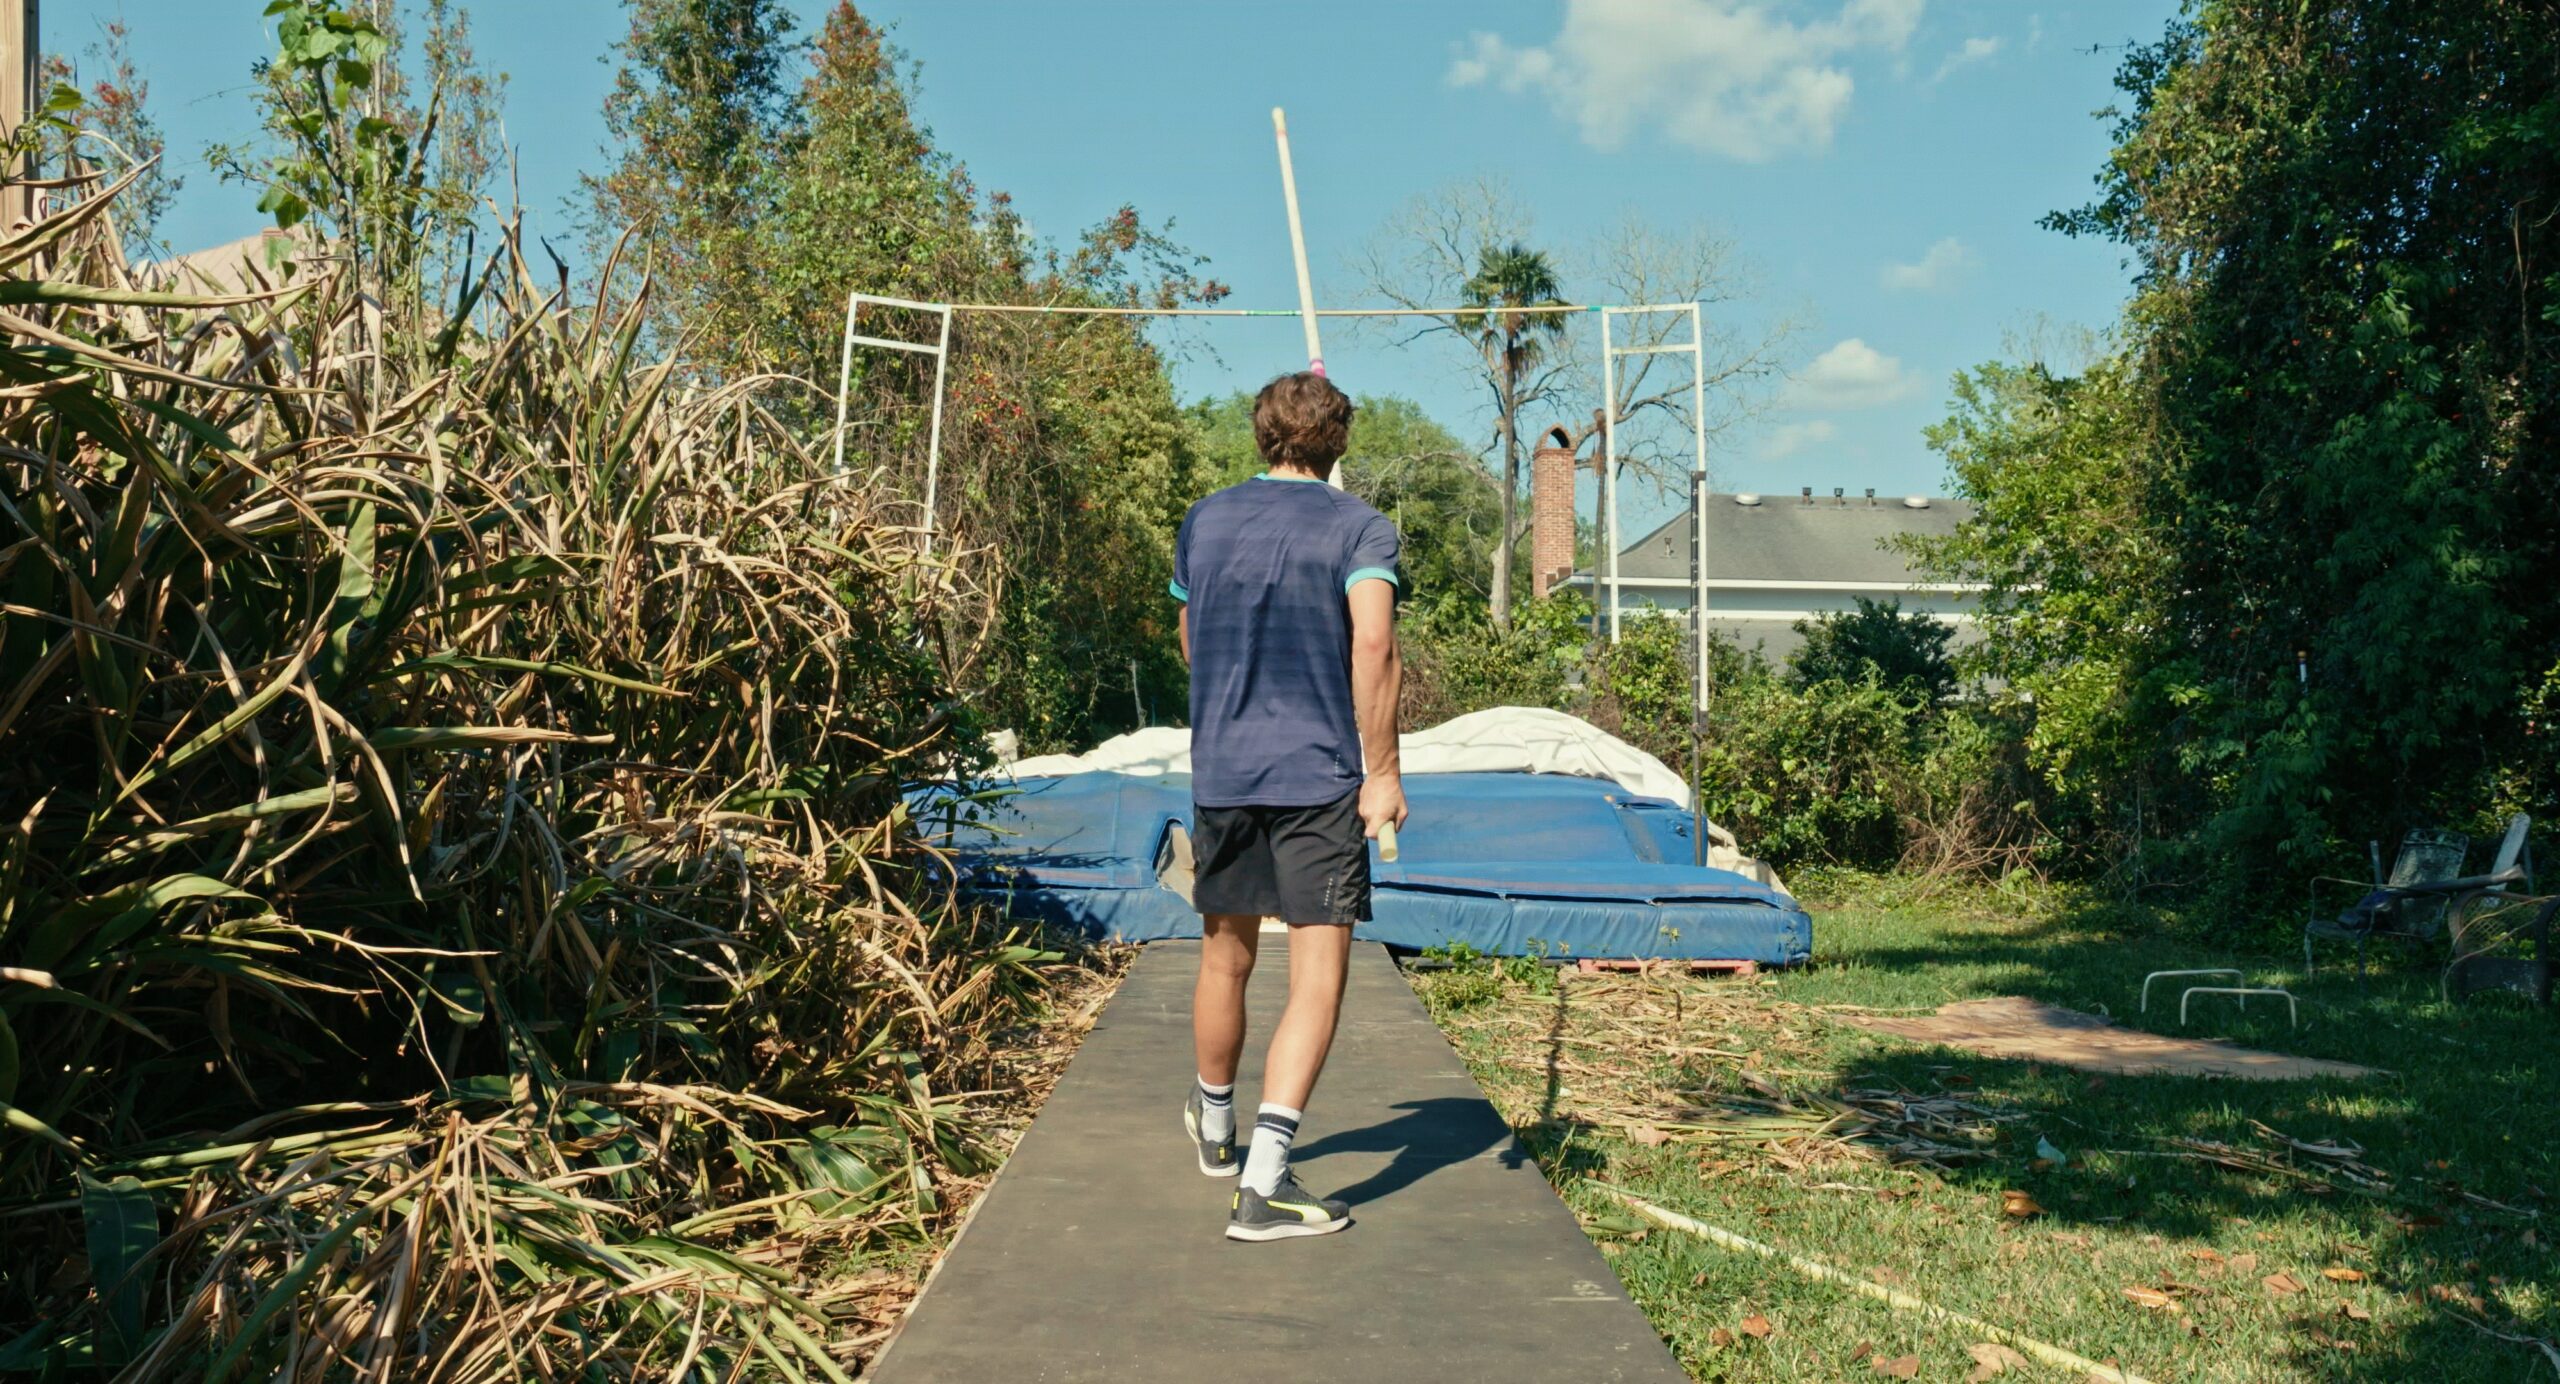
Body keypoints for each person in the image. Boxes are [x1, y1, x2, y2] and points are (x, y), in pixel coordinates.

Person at [1169, 370, 1407, 1242]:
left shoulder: (1205, 519)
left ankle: (1216, 1127)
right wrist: (1383, 773)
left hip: (1223, 772)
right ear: (1338, 442)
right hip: (1316, 777)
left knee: (1224, 959)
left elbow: (1191, 640)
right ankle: (1263, 1189)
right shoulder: (1360, 526)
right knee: (1316, 976)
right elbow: (1374, 643)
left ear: (1261, 434)